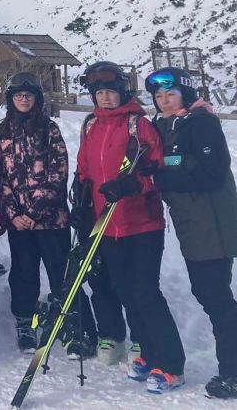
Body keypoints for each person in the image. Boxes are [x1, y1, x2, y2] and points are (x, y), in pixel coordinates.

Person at [147, 68, 237, 399]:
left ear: (185, 94)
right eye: (159, 96)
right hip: (192, 225)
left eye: (170, 95)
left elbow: (212, 174)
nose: (164, 101)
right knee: (212, 294)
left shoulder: (201, 124)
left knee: (215, 298)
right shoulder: (168, 125)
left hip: (213, 224)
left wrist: (159, 179)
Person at [75, 61, 185, 394]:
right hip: (106, 224)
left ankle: (171, 364)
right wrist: (80, 199)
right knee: (125, 292)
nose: (105, 98)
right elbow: (85, 168)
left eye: (110, 92)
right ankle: (148, 353)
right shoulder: (91, 125)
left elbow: (158, 169)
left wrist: (133, 185)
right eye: (99, 93)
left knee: (146, 293)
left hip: (141, 224)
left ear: (122, 92)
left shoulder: (139, 126)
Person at [0, 72, 70, 354]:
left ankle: (71, 321)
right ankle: (25, 321)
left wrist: (35, 211)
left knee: (60, 272)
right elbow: (0, 177)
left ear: (37, 98)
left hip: (51, 220)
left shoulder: (49, 128)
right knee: (23, 273)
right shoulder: (4, 131)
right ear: (11, 99)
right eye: (18, 95)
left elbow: (58, 172)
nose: (24, 99)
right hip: (20, 224)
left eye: (28, 95)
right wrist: (14, 213)